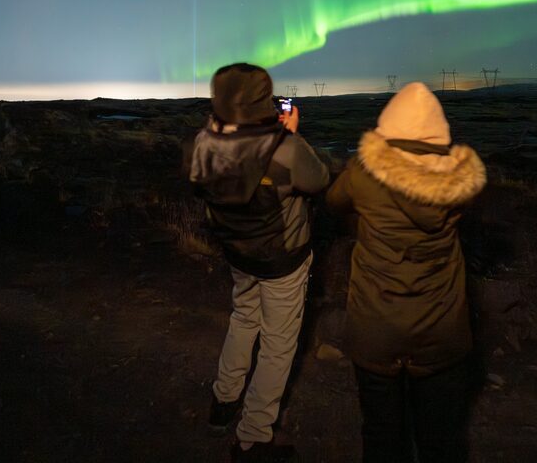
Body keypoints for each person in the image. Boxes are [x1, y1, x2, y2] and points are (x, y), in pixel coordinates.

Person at [326, 82, 486, 462]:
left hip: (375, 326)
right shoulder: (458, 183)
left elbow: (334, 202)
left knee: (382, 434)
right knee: (441, 438)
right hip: (440, 330)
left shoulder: (362, 173)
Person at [187, 62, 330, 462]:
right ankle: (252, 438)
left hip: (237, 251)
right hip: (282, 259)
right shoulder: (284, 147)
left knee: (243, 317)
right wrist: (290, 136)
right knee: (278, 344)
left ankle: (223, 400)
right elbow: (318, 180)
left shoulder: (204, 142)